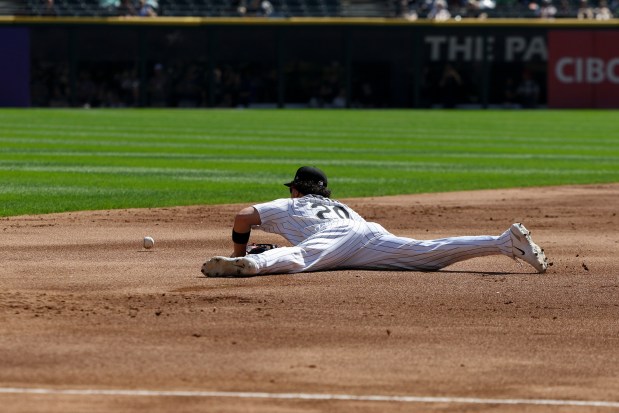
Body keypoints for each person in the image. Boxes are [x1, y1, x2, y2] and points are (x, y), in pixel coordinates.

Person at [201, 166, 549, 277]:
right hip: (364, 233)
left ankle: (249, 264)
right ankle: (504, 241)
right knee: (427, 254)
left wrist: (237, 250)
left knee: (303, 259)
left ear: (295, 188)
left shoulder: (290, 204)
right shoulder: (336, 203)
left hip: (336, 237)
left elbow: (243, 216)